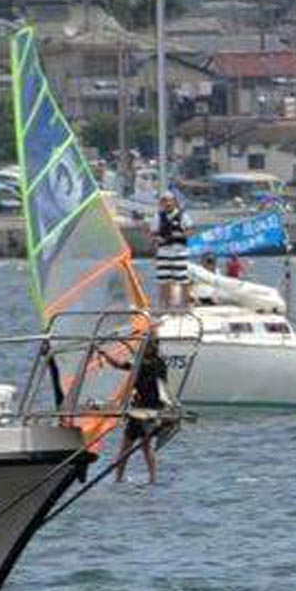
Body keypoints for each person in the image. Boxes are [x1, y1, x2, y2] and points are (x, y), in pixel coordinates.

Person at [102, 334, 170, 484]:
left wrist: (136, 361)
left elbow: (154, 377)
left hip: (148, 410)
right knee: (136, 447)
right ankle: (124, 478)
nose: (144, 348)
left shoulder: (155, 364)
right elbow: (119, 365)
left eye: (147, 346)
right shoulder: (143, 363)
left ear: (152, 348)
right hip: (141, 409)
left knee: (138, 446)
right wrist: (105, 355)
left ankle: (148, 478)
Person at [154, 192, 191, 308]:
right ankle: (164, 307)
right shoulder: (158, 217)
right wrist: (157, 239)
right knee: (163, 280)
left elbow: (190, 230)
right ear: (161, 203)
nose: (168, 203)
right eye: (165, 201)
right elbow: (153, 233)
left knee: (183, 279)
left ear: (175, 202)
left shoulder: (183, 216)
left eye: (170, 200)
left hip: (179, 251)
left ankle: (185, 306)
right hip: (164, 252)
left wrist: (179, 234)